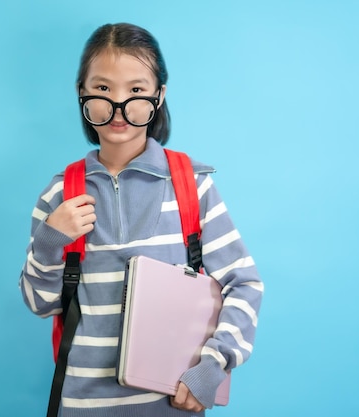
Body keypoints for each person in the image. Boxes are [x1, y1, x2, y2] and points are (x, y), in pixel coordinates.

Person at [19, 22, 263, 417]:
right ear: (82, 93)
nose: (119, 106)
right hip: (82, 406)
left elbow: (245, 284)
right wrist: (49, 242)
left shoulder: (194, 187)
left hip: (171, 406)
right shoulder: (60, 193)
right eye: (102, 89)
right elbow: (40, 303)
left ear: (159, 94)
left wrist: (213, 366)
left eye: (135, 90)